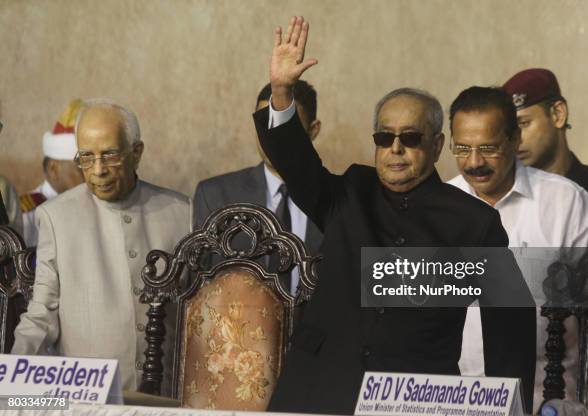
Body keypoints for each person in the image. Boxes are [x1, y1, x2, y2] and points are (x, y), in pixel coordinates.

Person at [254, 16, 536, 414]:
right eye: (385, 137)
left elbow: (509, 325)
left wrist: (511, 406)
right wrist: (282, 91)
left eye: (411, 138)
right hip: (320, 388)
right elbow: (293, 160)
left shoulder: (474, 222)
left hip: (416, 398)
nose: (396, 149)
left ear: (437, 145)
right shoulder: (348, 193)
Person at [12, 98, 192, 393]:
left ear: (137, 153)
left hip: (169, 395)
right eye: (86, 157)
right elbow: (42, 311)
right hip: (89, 397)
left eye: (109, 155)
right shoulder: (57, 217)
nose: (98, 170)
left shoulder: (181, 211)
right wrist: (11, 378)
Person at [446, 86, 588, 411]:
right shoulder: (440, 205)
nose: (474, 162)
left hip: (546, 400)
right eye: (462, 148)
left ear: (515, 139)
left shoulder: (565, 202)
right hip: (454, 398)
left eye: (488, 148)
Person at [193, 81, 323, 294]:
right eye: (265, 124)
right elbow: (197, 290)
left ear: (313, 130)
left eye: (286, 125)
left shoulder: (343, 201)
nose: (272, 137)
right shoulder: (216, 196)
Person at [503, 68, 588, 235]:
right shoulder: (501, 197)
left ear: (558, 114)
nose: (515, 139)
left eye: (523, 123)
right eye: (509, 130)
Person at [20, 99, 84, 247]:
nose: (92, 173)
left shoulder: (93, 206)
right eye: (81, 165)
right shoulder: (25, 213)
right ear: (54, 168)